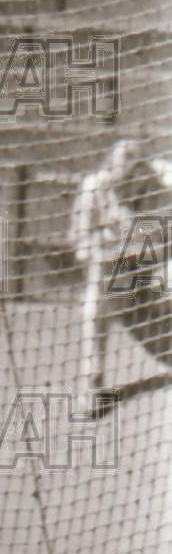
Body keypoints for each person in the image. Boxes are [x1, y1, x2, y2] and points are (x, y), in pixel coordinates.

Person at [72, 138, 172, 416]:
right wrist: (103, 248)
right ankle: (92, 383)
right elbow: (81, 245)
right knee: (96, 306)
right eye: (122, 175)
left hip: (152, 271)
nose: (127, 185)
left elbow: (163, 244)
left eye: (134, 172)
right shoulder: (94, 188)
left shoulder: (159, 187)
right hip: (112, 275)